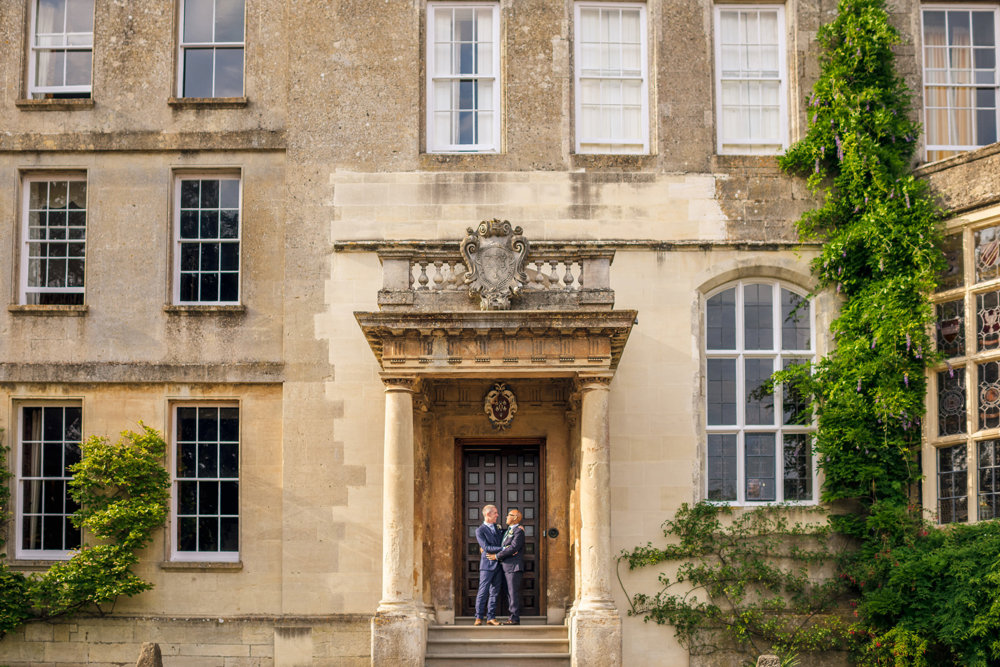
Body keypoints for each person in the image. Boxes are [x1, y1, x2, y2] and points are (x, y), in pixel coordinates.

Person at [489, 508, 525, 625]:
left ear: (515, 518)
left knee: (512, 593)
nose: (506, 517)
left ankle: (514, 619)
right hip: (505, 567)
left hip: (513, 567)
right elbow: (505, 543)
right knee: (509, 593)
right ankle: (511, 616)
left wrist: (497, 556)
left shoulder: (519, 531)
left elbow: (513, 548)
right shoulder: (508, 530)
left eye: (508, 515)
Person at [474, 504, 504, 626]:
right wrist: (503, 549)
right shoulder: (480, 530)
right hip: (487, 565)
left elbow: (506, 536)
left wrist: (519, 528)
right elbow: (486, 547)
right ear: (488, 514)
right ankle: (478, 617)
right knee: (483, 591)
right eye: (495, 513)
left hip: (499, 564)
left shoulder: (498, 528)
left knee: (495, 592)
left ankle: (491, 617)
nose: (497, 515)